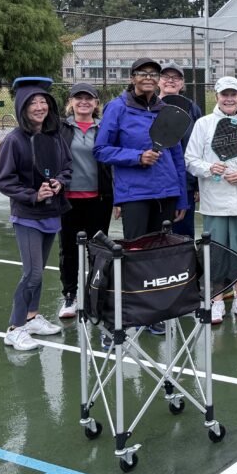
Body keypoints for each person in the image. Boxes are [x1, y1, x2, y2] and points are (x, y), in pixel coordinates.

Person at [0, 79, 72, 351]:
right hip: (27, 215)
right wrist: (33, 195)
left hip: (52, 213)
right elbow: (5, 181)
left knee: (38, 273)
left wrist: (59, 183)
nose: (40, 107)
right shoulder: (13, 141)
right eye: (32, 103)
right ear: (22, 108)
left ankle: (31, 317)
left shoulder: (54, 137)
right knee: (33, 273)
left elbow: (66, 168)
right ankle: (14, 329)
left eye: (44, 102)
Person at [185, 77, 237, 324]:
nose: (229, 99)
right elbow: (190, 160)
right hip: (213, 202)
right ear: (217, 96)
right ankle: (217, 299)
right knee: (216, 253)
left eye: (233, 94)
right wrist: (211, 168)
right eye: (224, 94)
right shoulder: (203, 124)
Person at [94, 58, 189, 238]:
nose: (148, 78)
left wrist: (181, 199)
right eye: (142, 74)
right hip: (135, 195)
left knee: (159, 252)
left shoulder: (165, 110)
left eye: (153, 74)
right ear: (132, 78)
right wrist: (138, 157)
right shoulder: (116, 108)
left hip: (167, 194)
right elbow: (101, 150)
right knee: (136, 252)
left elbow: (177, 158)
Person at [57, 82, 113, 319]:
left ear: (96, 103)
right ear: (70, 102)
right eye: (78, 98)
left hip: (99, 199)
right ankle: (70, 295)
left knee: (98, 251)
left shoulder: (105, 128)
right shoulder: (60, 128)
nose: (83, 102)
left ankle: (95, 295)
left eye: (89, 98)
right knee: (68, 250)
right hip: (67, 200)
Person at [158, 61, 202, 238]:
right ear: (159, 81)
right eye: (166, 77)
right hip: (156, 182)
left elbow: (199, 146)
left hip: (185, 182)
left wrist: (196, 184)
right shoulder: (149, 106)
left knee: (183, 234)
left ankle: (184, 266)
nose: (170, 81)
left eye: (175, 77)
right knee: (156, 236)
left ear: (182, 83)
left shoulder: (193, 109)